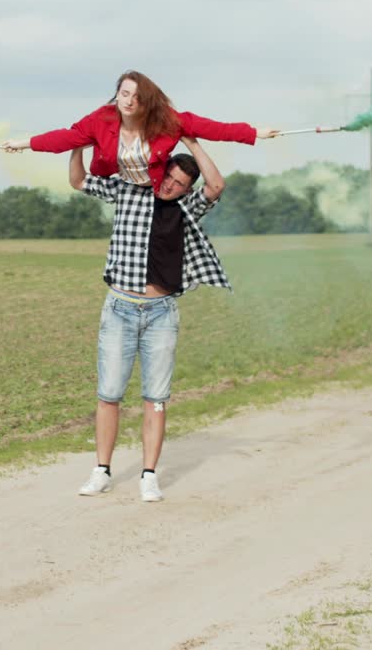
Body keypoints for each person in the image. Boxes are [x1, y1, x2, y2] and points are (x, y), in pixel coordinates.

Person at [68, 135, 229, 502]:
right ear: (161, 171)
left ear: (188, 188)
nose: (171, 187)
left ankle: (149, 476)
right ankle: (102, 471)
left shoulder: (189, 207)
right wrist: (76, 144)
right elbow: (79, 181)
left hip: (162, 312)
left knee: (156, 397)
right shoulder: (130, 190)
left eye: (180, 185)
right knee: (109, 394)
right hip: (120, 308)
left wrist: (192, 142)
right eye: (169, 178)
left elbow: (216, 185)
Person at [2, 70, 277, 191]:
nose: (129, 101)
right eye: (124, 93)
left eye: (136, 96)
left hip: (157, 188)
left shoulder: (168, 121)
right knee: (80, 181)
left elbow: (214, 129)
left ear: (147, 101)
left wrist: (255, 133)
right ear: (117, 95)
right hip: (122, 185)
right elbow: (63, 138)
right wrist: (22, 142)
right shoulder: (102, 119)